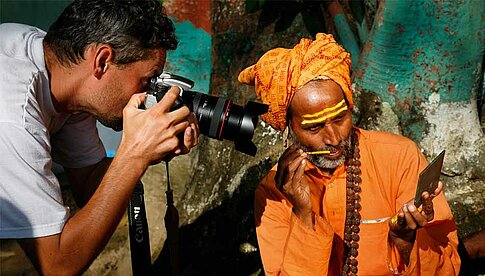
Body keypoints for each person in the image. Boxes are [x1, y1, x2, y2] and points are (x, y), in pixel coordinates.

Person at [0, 0, 199, 274]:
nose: (146, 95)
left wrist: (152, 150)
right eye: (147, 81)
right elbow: (56, 266)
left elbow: (90, 182)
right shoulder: (13, 114)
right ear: (103, 61)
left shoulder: (62, 77)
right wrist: (134, 155)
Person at [238, 33, 460, 275]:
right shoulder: (274, 193)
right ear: (290, 126)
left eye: (340, 118)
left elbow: (448, 268)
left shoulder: (399, 157)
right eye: (314, 127)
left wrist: (405, 241)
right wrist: (302, 213)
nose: (334, 139)